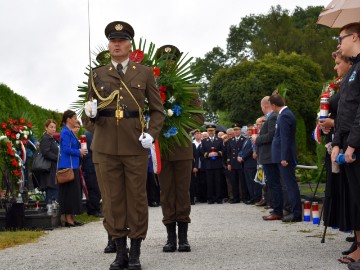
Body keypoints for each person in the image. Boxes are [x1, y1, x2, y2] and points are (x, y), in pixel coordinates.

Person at [83, 21, 165, 270]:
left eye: (121, 40)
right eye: (112, 40)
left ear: (130, 45)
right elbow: (87, 116)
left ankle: (136, 251)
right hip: (106, 147)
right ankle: (120, 252)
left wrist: (151, 134)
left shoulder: (144, 73)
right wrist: (92, 116)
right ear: (109, 45)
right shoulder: (97, 74)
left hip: (135, 145)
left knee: (137, 199)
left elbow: (157, 110)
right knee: (112, 199)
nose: (116, 44)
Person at [156, 45, 204, 253]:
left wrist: (177, 126)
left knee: (182, 192)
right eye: (164, 60)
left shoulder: (188, 88)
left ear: (176, 63)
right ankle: (170, 237)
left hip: (182, 147)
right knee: (166, 192)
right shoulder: (152, 86)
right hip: (162, 149)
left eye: (172, 60)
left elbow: (199, 117)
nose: (168, 63)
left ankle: (183, 237)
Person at [330, 23, 360, 267]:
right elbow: (345, 110)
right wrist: (338, 143)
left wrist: (351, 145)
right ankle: (359, 246)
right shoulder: (354, 69)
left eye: (340, 39)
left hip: (356, 143)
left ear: (354, 36)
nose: (339, 44)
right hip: (348, 142)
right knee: (356, 198)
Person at [318, 50, 352, 255]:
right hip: (339, 141)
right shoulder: (339, 85)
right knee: (346, 193)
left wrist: (334, 122)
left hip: (350, 142)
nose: (335, 67)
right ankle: (356, 237)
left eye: (338, 62)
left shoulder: (352, 82)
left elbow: (351, 116)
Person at [269, 94, 302, 222]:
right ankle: (295, 212)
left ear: (273, 105)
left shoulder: (284, 116)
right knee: (289, 185)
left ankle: (297, 213)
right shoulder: (284, 114)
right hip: (283, 156)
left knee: (290, 185)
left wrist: (284, 157)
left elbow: (285, 138)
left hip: (285, 157)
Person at [58, 110, 88, 227]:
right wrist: (78, 151)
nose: (76, 120)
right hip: (67, 166)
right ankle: (68, 220)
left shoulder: (70, 132)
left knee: (74, 193)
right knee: (69, 194)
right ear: (68, 119)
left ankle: (72, 218)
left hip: (73, 165)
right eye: (74, 118)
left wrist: (79, 152)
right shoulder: (65, 132)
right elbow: (65, 149)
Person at [35, 119, 59, 202]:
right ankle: (50, 212)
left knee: (54, 190)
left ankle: (53, 211)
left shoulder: (52, 139)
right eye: (51, 127)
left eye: (55, 127)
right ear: (46, 128)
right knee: (51, 191)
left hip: (53, 169)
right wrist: (58, 158)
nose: (53, 129)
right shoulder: (46, 138)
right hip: (49, 170)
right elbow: (46, 153)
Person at [238, 124, 262, 204]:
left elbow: (252, 150)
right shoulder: (246, 139)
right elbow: (242, 150)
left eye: (250, 130)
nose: (248, 131)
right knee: (248, 182)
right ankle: (252, 197)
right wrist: (239, 155)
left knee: (253, 182)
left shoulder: (254, 139)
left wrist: (243, 157)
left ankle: (256, 198)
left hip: (251, 163)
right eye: (247, 130)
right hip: (246, 164)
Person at [200, 124, 224, 204]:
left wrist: (217, 153)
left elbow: (223, 150)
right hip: (208, 164)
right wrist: (208, 155)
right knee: (209, 182)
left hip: (217, 163)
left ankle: (219, 198)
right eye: (209, 131)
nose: (210, 132)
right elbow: (202, 152)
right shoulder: (204, 141)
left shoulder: (219, 140)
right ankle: (210, 198)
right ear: (207, 131)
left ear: (214, 131)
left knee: (218, 181)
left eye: (212, 130)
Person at [82, 130, 103, 218]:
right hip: (90, 166)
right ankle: (94, 210)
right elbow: (95, 148)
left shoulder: (90, 133)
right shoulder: (89, 134)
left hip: (91, 165)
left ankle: (93, 209)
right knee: (94, 189)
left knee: (94, 189)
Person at [227, 123, 246, 204]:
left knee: (242, 181)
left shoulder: (244, 139)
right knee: (233, 182)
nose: (236, 131)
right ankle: (235, 198)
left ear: (240, 130)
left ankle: (244, 197)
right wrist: (228, 163)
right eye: (234, 130)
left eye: (237, 129)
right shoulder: (230, 140)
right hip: (233, 163)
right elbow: (229, 153)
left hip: (241, 163)